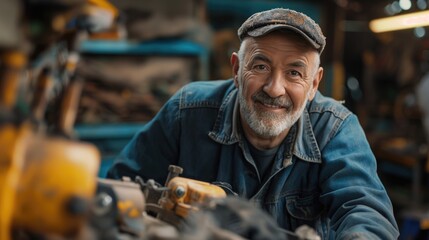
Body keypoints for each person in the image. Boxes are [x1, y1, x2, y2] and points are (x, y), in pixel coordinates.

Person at [107, 8, 399, 239]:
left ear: (314, 84)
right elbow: (120, 189)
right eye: (260, 66)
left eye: (295, 73)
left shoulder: (335, 129)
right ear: (236, 69)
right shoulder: (187, 112)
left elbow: (365, 211)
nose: (274, 88)